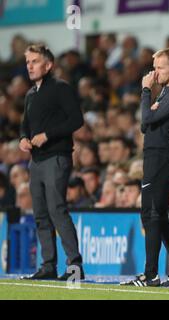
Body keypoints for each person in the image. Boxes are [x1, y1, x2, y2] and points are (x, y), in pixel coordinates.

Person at [121, 48, 169, 287]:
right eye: (155, 67)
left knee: (151, 215)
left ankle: (151, 274)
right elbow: (145, 128)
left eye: (160, 68)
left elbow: (146, 121)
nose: (155, 73)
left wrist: (144, 92)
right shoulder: (164, 94)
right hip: (155, 157)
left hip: (162, 158)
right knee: (158, 218)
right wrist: (149, 111)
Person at [19, 44, 84, 281]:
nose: (30, 66)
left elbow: (77, 119)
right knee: (40, 214)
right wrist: (23, 138)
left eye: (35, 61)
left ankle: (75, 266)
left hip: (57, 157)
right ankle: (48, 265)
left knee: (57, 210)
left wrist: (48, 135)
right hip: (36, 161)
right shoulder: (30, 94)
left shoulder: (60, 88)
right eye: (28, 62)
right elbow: (24, 124)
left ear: (48, 65)